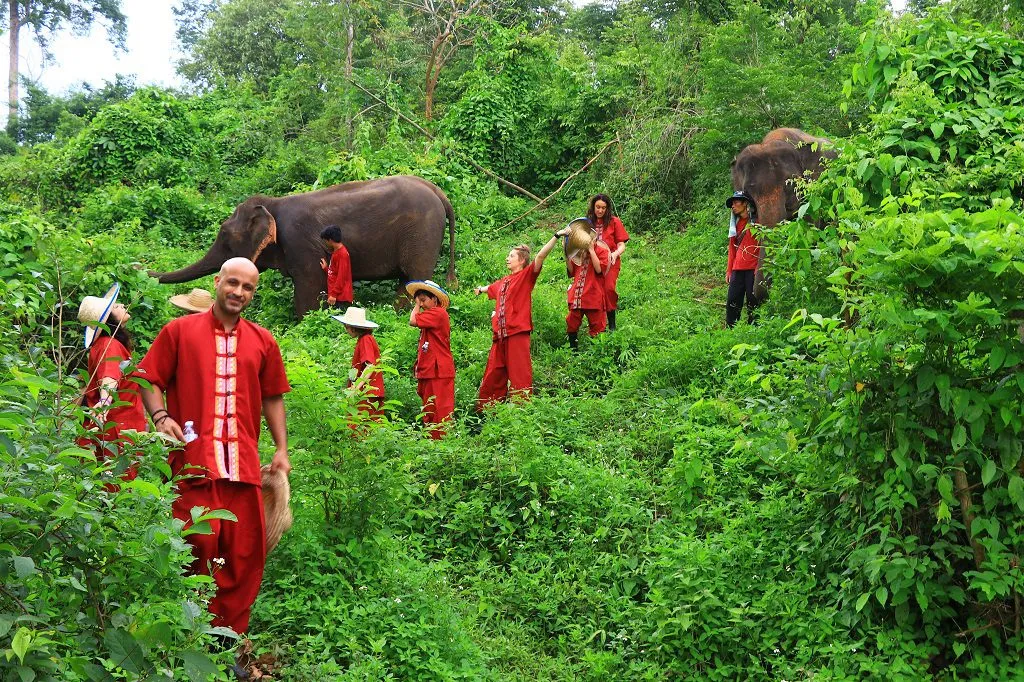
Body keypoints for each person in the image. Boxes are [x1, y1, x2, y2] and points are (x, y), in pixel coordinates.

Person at [139, 257, 291, 637]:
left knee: (244, 557)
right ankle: (182, 636)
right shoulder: (179, 331)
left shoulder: (263, 340)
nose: (239, 292)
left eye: (248, 287)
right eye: (233, 283)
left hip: (243, 469)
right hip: (194, 466)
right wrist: (160, 418)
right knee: (193, 548)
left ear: (254, 293)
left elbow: (273, 396)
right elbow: (147, 378)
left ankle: (226, 640)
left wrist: (281, 449)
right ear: (219, 282)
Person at [473, 229, 568, 410]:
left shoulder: (526, 276)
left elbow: (540, 257)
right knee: (493, 373)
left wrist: (556, 236)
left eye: (511, 256)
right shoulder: (504, 281)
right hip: (499, 335)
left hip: (517, 332)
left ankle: (521, 412)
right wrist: (480, 289)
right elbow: (490, 287)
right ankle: (486, 411)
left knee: (519, 374)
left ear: (521, 260)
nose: (507, 259)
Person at [77, 283, 147, 479]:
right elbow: (110, 375)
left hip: (112, 426)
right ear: (109, 320)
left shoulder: (104, 344)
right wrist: (105, 403)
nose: (122, 305)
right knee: (115, 485)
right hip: (115, 427)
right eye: (115, 307)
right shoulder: (110, 345)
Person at [407, 280, 455, 439]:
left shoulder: (438, 313)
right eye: (419, 300)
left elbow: (412, 320)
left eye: (423, 300)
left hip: (438, 370)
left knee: (440, 410)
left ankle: (441, 445)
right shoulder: (430, 317)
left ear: (435, 299)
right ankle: (431, 443)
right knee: (429, 409)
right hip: (430, 370)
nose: (421, 304)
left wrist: (416, 306)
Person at [333, 307, 385, 421]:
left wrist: (356, 388)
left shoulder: (366, 340)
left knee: (358, 430)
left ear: (351, 327)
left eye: (346, 326)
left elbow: (370, 365)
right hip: (368, 393)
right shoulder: (365, 339)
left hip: (367, 393)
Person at [587, 194, 629, 330]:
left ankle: (612, 325)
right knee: (594, 291)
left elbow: (621, 244)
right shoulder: (588, 222)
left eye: (603, 208)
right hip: (592, 261)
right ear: (593, 207)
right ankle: (598, 326)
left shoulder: (614, 221)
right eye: (598, 207)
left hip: (610, 261)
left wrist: (615, 254)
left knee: (608, 289)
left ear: (607, 209)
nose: (600, 210)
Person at [725, 190, 763, 327]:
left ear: (746, 203)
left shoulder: (758, 223)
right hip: (737, 269)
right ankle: (731, 328)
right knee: (732, 301)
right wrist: (729, 270)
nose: (733, 206)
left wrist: (759, 268)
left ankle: (754, 329)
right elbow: (732, 249)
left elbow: (763, 246)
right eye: (732, 204)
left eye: (736, 202)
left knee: (753, 301)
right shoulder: (734, 226)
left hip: (753, 269)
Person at [566, 239, 611, 348]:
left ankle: (598, 353)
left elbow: (599, 270)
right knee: (572, 322)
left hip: (593, 294)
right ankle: (573, 352)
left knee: (598, 326)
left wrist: (591, 250)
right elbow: (572, 271)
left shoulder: (602, 251)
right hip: (577, 294)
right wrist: (567, 254)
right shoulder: (578, 252)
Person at [319, 225, 353, 308]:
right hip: (336, 296)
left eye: (325, 241)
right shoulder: (336, 252)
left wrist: (333, 294)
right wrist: (326, 268)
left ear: (330, 240)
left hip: (341, 297)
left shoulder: (342, 254)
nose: (325, 243)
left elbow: (342, 276)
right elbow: (335, 273)